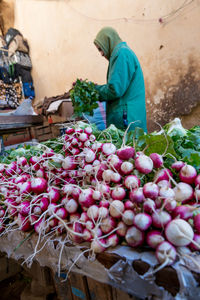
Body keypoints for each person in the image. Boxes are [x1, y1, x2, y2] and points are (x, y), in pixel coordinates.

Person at [94, 27, 147, 132]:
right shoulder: (120, 53)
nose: (101, 54)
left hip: (127, 119)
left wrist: (93, 90)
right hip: (128, 117)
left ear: (109, 41)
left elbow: (115, 89)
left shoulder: (121, 54)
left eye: (101, 49)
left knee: (130, 147)